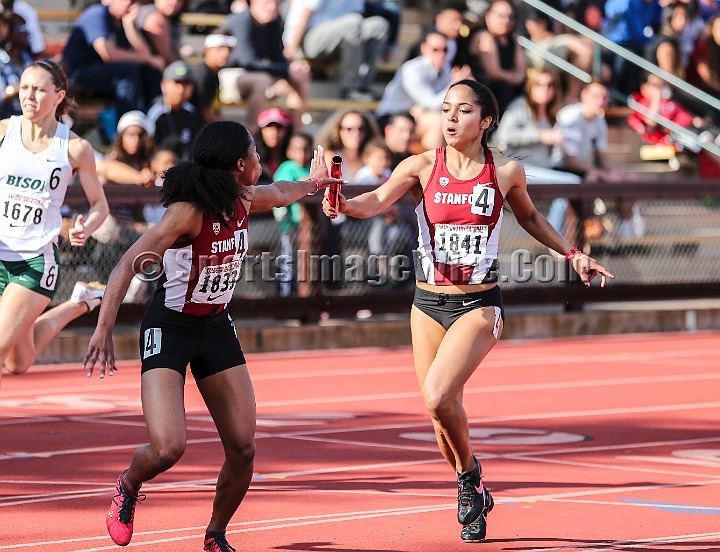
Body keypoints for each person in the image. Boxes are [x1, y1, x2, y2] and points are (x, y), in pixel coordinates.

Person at [322, 79, 613, 543]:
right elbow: (374, 201)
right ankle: (473, 484)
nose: (451, 118)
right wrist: (338, 202)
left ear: (486, 120)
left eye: (462, 110)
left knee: (439, 394)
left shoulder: (505, 172)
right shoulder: (420, 166)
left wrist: (571, 252)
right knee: (438, 412)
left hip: (478, 303)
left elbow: (531, 218)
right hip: (426, 303)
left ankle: (467, 475)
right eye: (445, 109)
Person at [82, 120, 344, 551]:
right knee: (168, 448)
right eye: (256, 153)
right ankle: (129, 485)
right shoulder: (188, 212)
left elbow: (281, 193)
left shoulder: (242, 196)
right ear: (240, 164)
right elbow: (126, 263)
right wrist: (104, 327)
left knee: (243, 451)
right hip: (170, 327)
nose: (261, 159)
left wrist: (318, 181)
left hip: (216, 326)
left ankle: (215, 534)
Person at [0, 60, 109, 388]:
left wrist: (86, 227)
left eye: (38, 89)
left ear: (58, 95)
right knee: (17, 363)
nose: (28, 95)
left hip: (33, 263)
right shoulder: (5, 131)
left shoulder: (75, 148)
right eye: (24, 87)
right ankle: (77, 304)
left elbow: (100, 205)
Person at [218, 0, 311, 131]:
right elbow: (248, 62)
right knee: (261, 80)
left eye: (277, 3)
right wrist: (288, 70)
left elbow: (278, 58)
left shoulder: (273, 22)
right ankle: (252, 134)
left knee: (300, 79)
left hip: (252, 76)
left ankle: (296, 136)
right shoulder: (242, 20)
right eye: (267, 2)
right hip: (225, 77)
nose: (272, 7)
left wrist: (294, 69)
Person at [62, 0, 165, 118]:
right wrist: (148, 59)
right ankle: (129, 124)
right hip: (78, 73)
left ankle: (153, 119)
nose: (126, 3)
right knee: (128, 70)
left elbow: (145, 54)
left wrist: (129, 25)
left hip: (107, 74)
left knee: (149, 71)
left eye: (131, 1)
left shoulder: (124, 20)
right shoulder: (96, 14)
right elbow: (109, 55)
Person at [376, 30, 472, 150]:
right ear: (424, 48)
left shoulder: (446, 68)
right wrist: (455, 84)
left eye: (445, 50)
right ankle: (433, 166)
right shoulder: (412, 70)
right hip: (390, 118)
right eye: (435, 49)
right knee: (437, 121)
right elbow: (432, 104)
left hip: (414, 116)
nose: (441, 54)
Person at [282, 0, 390, 100]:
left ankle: (362, 87)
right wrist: (291, 49)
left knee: (379, 26)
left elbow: (358, 16)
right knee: (352, 22)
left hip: (342, 38)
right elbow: (305, 14)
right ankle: (349, 89)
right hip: (310, 39)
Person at [494, 68, 582, 184]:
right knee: (573, 183)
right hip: (519, 167)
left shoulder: (553, 114)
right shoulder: (520, 106)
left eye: (550, 85)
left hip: (544, 169)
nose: (545, 89)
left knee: (574, 182)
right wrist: (540, 135)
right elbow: (503, 135)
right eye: (539, 84)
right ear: (530, 87)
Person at [469, 0, 526, 115]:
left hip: (508, 85)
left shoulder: (513, 38)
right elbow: (493, 72)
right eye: (500, 15)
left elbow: (521, 69)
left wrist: (518, 77)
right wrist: (514, 78)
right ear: (488, 16)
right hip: (486, 88)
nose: (506, 20)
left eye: (511, 16)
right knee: (503, 89)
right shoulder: (484, 36)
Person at [146, 61, 204, 160]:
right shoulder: (156, 113)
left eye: (186, 84)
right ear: (163, 85)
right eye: (177, 83)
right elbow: (149, 148)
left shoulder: (191, 111)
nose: (181, 89)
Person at [189, 31, 237, 124]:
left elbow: (216, 110)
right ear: (207, 50)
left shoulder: (213, 74)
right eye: (220, 48)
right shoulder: (202, 74)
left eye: (229, 49)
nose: (225, 53)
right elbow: (207, 116)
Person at [134, 0, 186, 67]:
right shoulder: (157, 18)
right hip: (149, 70)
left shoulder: (169, 17)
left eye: (179, 0)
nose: (174, 2)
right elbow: (166, 56)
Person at [255, 107, 293, 184]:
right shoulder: (253, 159)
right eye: (269, 126)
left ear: (288, 131)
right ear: (260, 131)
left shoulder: (297, 158)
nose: (274, 131)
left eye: (279, 127)